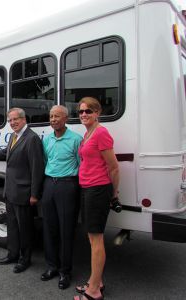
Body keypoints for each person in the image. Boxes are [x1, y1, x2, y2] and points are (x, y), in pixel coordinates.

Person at [74, 97, 119, 300]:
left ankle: (93, 292)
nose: (84, 114)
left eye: (88, 111)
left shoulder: (101, 133)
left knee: (96, 239)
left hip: (98, 189)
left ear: (97, 112)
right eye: (81, 111)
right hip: (88, 188)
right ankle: (96, 281)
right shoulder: (88, 132)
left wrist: (114, 194)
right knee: (91, 239)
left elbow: (113, 167)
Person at [0, 107, 44, 273]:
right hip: (11, 190)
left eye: (15, 119)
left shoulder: (32, 138)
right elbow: (7, 153)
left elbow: (37, 168)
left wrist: (34, 194)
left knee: (24, 229)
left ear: (23, 119)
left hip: (24, 193)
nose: (12, 123)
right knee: (12, 226)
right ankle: (12, 254)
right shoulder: (14, 136)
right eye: (10, 120)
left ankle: (25, 259)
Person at [40, 105, 82, 289]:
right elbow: (46, 161)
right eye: (51, 116)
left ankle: (65, 271)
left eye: (57, 116)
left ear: (66, 118)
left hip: (67, 185)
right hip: (49, 184)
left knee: (66, 230)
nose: (53, 119)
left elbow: (82, 165)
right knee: (49, 228)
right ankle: (52, 267)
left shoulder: (76, 140)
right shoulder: (47, 139)